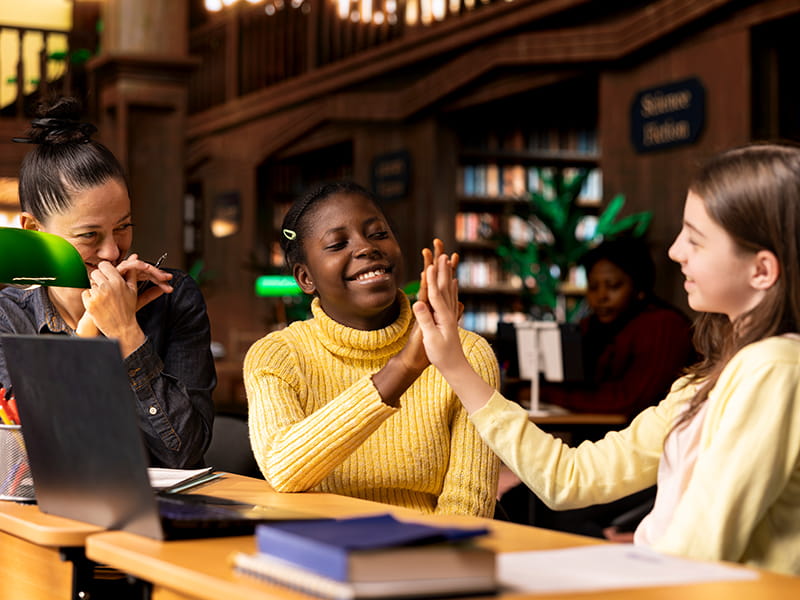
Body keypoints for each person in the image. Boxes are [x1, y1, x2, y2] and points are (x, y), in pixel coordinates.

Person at [414, 143, 800, 575]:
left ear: (761, 270)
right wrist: (452, 362)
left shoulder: (775, 367)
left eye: (695, 238)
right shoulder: (719, 373)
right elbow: (572, 478)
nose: (675, 252)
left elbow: (699, 552)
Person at [244, 181, 500, 517]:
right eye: (337, 244)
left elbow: (467, 506)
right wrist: (404, 367)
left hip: (427, 556)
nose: (366, 248)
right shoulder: (277, 356)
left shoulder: (466, 353)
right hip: (317, 553)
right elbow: (282, 466)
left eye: (378, 234)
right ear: (306, 278)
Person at [0, 97, 215, 468]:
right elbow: (25, 460)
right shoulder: (8, 317)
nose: (112, 252)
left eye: (123, 227)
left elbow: (186, 454)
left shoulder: (172, 298)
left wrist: (128, 334)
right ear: (34, 230)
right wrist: (91, 332)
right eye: (89, 235)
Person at [541, 237, 695, 420]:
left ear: (639, 288)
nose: (601, 296)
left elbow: (630, 401)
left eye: (613, 286)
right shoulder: (591, 325)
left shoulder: (664, 326)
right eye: (593, 286)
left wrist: (546, 393)